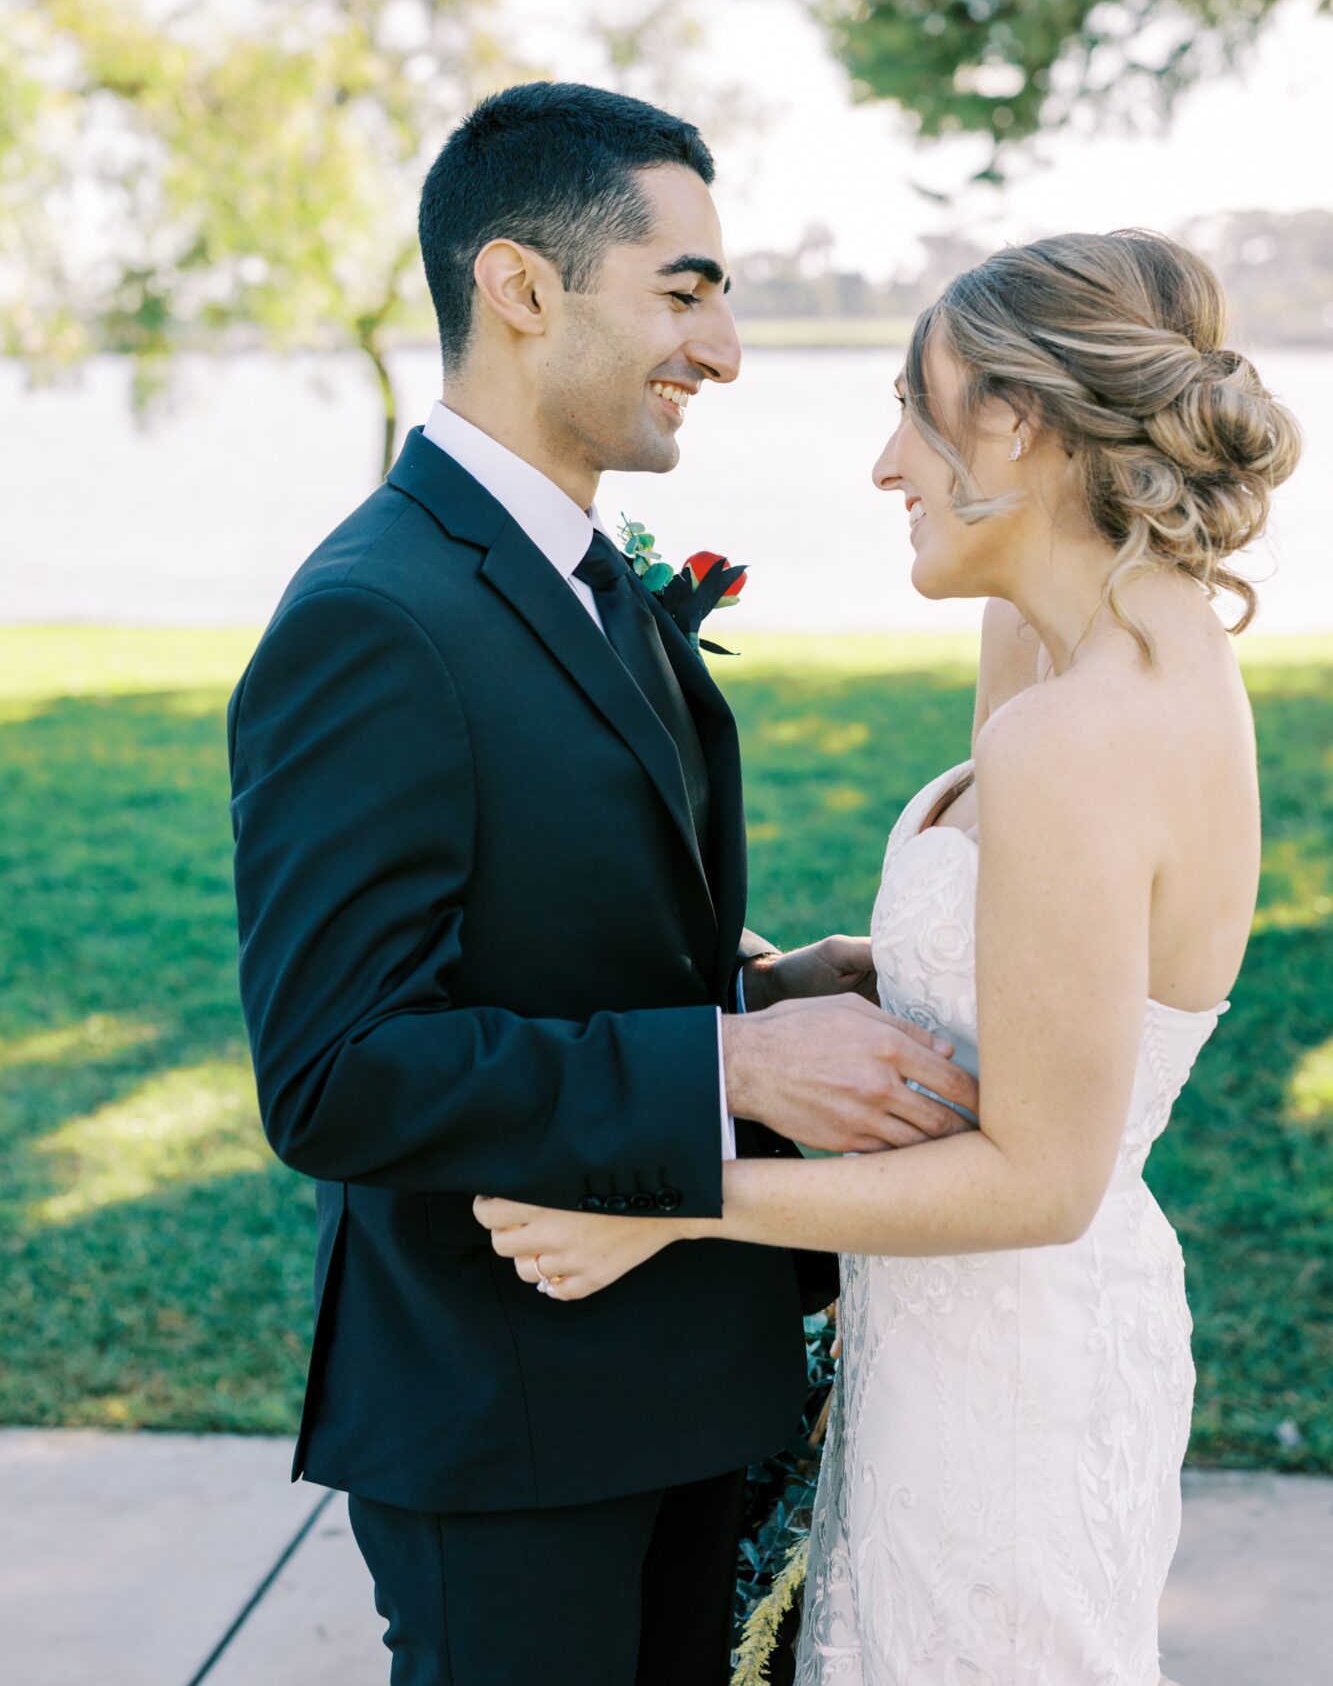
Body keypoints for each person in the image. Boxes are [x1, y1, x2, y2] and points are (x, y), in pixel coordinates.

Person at [227, 81, 980, 1686]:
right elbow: (335, 1075)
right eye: (684, 292)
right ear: (520, 285)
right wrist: (735, 1060)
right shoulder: (376, 618)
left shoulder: (586, 575)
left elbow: (571, 927)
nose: (718, 351)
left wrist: (767, 986)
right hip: (509, 1420)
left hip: (678, 1366)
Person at [474, 229, 1301, 1685]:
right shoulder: (1094, 654)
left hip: (1008, 1378)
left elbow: (1039, 1181)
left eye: (911, 411)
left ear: (1019, 426)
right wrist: (846, 973)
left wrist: (664, 1205)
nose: (882, 465)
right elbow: (1035, 964)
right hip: (965, 1337)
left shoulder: (1079, 734)